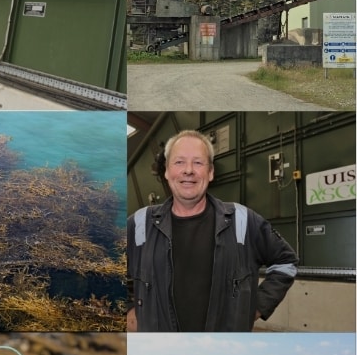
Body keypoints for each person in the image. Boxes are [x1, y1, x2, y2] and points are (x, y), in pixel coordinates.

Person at [127, 130, 299, 332]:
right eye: (179, 162)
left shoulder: (243, 221)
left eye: (198, 163)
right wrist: (129, 309)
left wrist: (257, 306)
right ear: (166, 171)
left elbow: (286, 262)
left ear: (210, 172)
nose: (188, 170)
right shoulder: (139, 224)